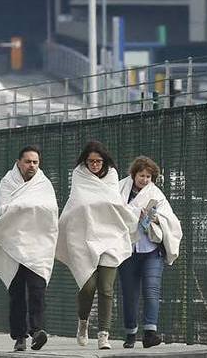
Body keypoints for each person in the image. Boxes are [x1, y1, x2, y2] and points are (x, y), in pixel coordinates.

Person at [0, 145, 59, 352]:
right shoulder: (7, 182)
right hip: (12, 245)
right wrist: (28, 207)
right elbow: (5, 210)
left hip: (37, 245)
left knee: (38, 290)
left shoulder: (44, 184)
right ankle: (19, 336)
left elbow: (51, 210)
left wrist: (23, 207)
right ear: (19, 162)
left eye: (35, 162)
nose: (32, 165)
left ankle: (38, 331)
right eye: (28, 161)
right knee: (17, 293)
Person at [55, 140, 137, 350]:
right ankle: (83, 322)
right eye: (90, 161)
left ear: (104, 161)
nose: (94, 165)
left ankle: (103, 335)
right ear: (85, 161)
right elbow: (78, 203)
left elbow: (114, 204)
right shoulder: (79, 175)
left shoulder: (111, 177)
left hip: (110, 237)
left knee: (106, 289)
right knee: (88, 286)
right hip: (84, 238)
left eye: (98, 161)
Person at [118, 156, 183, 349]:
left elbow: (169, 218)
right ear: (134, 174)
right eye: (141, 175)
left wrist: (154, 218)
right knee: (129, 294)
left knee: (152, 290)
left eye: (148, 176)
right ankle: (130, 333)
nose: (144, 179)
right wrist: (133, 214)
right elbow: (113, 212)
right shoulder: (120, 189)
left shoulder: (157, 195)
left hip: (151, 249)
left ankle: (150, 334)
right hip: (127, 250)